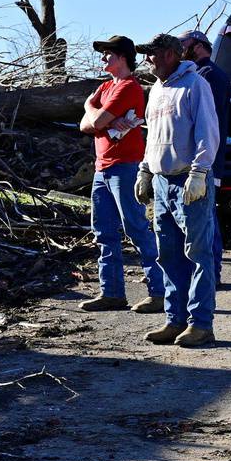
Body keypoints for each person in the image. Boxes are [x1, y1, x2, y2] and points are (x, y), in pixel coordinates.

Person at [137, 32, 223, 347]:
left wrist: (200, 173)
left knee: (198, 254)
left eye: (153, 53)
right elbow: (152, 135)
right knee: (169, 253)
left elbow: (207, 131)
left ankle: (201, 324)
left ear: (171, 55)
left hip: (189, 180)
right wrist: (145, 171)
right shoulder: (157, 91)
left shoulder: (195, 84)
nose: (148, 59)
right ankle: (175, 320)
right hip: (162, 182)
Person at [77, 35, 166, 313]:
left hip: (125, 166)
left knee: (137, 228)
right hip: (101, 168)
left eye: (108, 54)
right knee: (103, 232)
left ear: (123, 57)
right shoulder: (104, 87)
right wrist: (93, 113)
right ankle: (112, 293)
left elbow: (97, 121)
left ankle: (160, 292)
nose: (103, 58)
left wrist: (92, 110)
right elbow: (84, 126)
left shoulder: (129, 87)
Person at [180, 27, 231, 286]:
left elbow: (205, 124)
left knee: (207, 219)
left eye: (184, 44)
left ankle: (212, 275)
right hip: (196, 162)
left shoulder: (208, 75)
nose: (180, 50)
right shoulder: (196, 74)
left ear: (199, 46)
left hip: (206, 161)